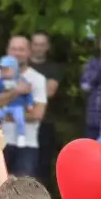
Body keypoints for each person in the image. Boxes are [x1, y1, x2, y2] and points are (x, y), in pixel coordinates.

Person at [0, 37, 47, 177]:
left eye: (21, 49)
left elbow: (37, 114)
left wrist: (5, 112)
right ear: (7, 51)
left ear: (29, 52)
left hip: (27, 145)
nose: (17, 53)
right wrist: (17, 91)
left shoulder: (37, 79)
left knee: (23, 194)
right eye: (14, 49)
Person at [28, 31, 62, 186]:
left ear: (47, 47)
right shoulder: (21, 66)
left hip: (45, 123)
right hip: (21, 122)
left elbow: (50, 91)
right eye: (36, 44)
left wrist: (25, 89)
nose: (38, 48)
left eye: (42, 44)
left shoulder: (53, 68)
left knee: (43, 164)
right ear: (30, 45)